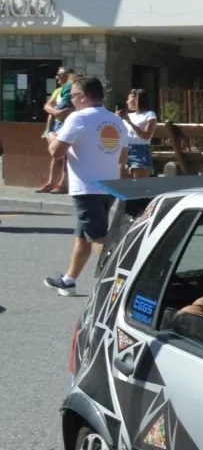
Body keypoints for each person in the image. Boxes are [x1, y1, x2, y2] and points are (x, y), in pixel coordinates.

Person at [43, 76, 128, 295]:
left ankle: (123, 281)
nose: (70, 100)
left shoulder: (77, 118)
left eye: (71, 95)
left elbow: (56, 152)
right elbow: (123, 156)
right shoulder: (116, 120)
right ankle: (69, 280)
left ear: (82, 96)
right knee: (84, 234)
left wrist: (52, 136)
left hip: (86, 187)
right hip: (108, 186)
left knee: (99, 238)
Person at [37, 67, 74, 193]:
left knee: (66, 156)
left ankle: (63, 184)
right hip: (55, 126)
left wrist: (57, 113)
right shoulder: (58, 90)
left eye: (60, 74)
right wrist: (56, 112)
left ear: (69, 75)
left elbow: (71, 109)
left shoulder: (73, 90)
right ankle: (51, 183)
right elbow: (47, 106)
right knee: (56, 155)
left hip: (67, 126)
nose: (57, 77)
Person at [120, 89, 158, 179]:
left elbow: (146, 136)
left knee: (139, 186)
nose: (127, 101)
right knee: (122, 185)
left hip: (140, 151)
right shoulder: (130, 115)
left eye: (129, 99)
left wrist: (130, 122)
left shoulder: (149, 115)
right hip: (125, 150)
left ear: (136, 99)